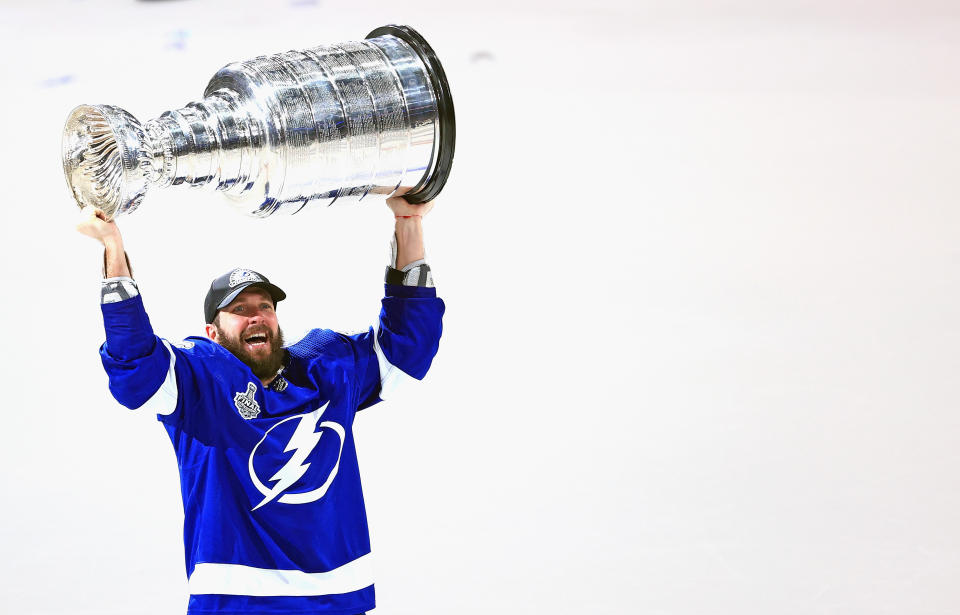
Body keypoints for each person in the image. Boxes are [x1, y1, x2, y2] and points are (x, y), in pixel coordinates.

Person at [76, 189, 445, 615]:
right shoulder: (199, 382)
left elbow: (408, 345)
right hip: (239, 603)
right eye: (239, 309)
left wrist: (409, 223)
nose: (257, 316)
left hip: (336, 601)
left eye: (265, 306)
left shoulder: (325, 368)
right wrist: (113, 249)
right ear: (213, 332)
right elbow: (134, 365)